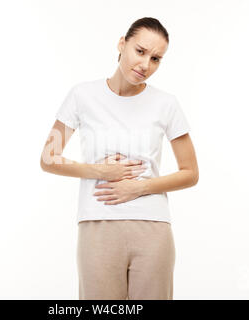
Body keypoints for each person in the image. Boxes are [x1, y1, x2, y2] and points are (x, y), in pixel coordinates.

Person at [40, 17, 199, 300]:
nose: (145, 65)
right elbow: (48, 158)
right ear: (122, 44)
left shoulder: (167, 104)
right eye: (140, 51)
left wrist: (139, 187)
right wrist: (100, 170)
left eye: (156, 59)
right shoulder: (82, 95)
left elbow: (190, 172)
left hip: (152, 228)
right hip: (98, 224)